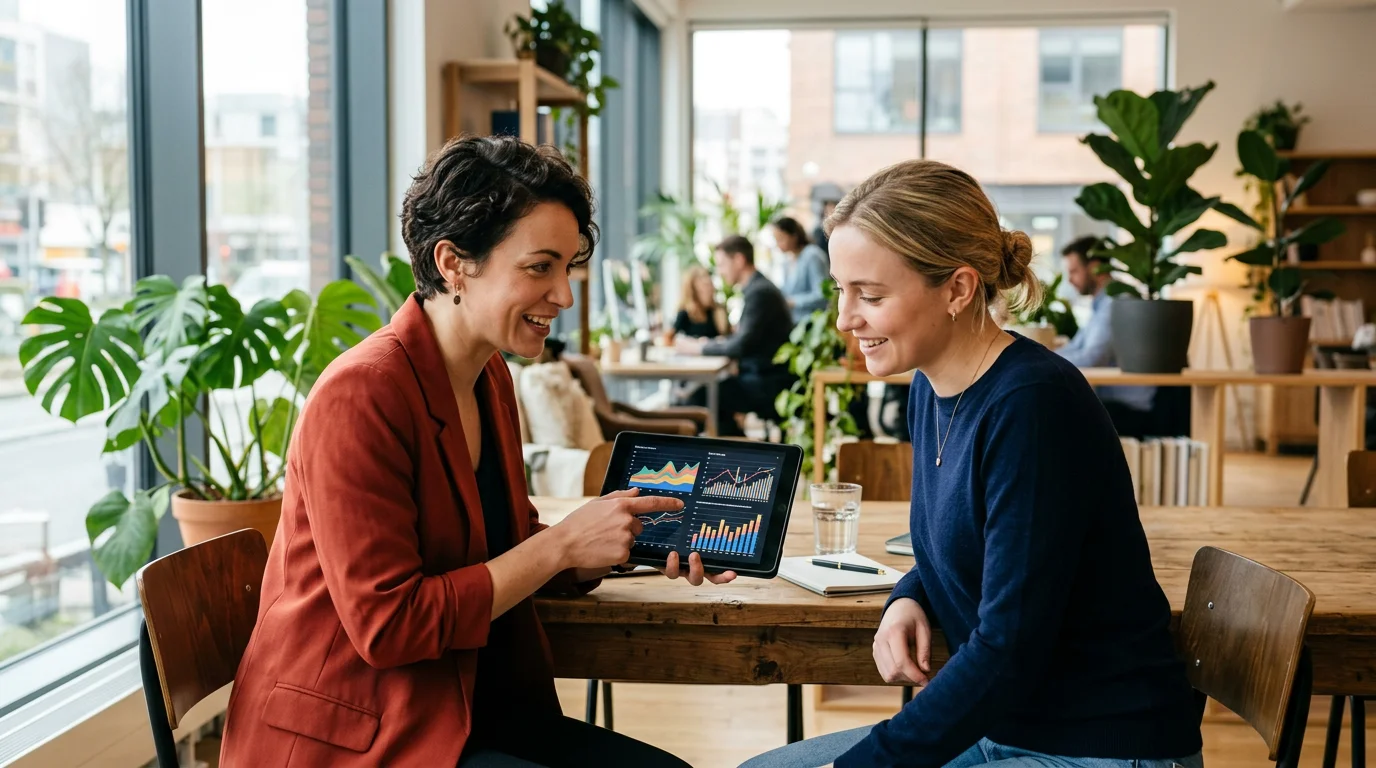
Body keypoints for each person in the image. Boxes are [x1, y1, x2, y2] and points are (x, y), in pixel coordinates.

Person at [219, 135, 733, 768]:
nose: (564, 296)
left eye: (568, 268)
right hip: (362, 736)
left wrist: (628, 540)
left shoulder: (488, 375)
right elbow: (390, 626)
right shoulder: (360, 395)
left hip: (465, 708)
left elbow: (504, 544)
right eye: (540, 267)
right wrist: (561, 546)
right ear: (454, 263)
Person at [741, 160, 1203, 768]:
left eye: (870, 295)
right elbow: (955, 549)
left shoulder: (1033, 407)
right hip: (1006, 725)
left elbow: (1009, 648)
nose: (844, 319)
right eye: (840, 289)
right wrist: (908, 596)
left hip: (1098, 746)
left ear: (958, 290)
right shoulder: (931, 388)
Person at [675, 235, 793, 436]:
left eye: (722, 264)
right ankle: (735, 446)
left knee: (696, 397)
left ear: (739, 260)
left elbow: (740, 346)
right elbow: (744, 340)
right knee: (702, 394)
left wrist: (698, 347)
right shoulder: (758, 288)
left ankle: (735, 451)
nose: (719, 271)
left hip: (767, 382)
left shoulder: (759, 293)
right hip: (764, 376)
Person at [1056, 235, 1157, 438]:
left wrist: (1043, 360)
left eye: (1074, 271)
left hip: (1129, 407)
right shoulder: (1100, 305)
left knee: (1052, 413)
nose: (1069, 280)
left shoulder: (1116, 303)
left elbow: (1093, 357)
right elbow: (1077, 348)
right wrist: (1042, 355)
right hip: (1111, 401)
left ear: (1094, 268)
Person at [771, 216, 830, 324]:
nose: (778, 244)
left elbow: (822, 295)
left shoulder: (812, 256)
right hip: (794, 322)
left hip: (813, 322)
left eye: (781, 239)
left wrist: (793, 302)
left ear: (794, 236)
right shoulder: (787, 261)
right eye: (776, 240)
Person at [668, 264, 730, 342]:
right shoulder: (685, 313)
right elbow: (670, 339)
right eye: (704, 286)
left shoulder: (719, 311)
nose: (709, 290)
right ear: (693, 291)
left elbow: (730, 338)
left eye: (710, 285)